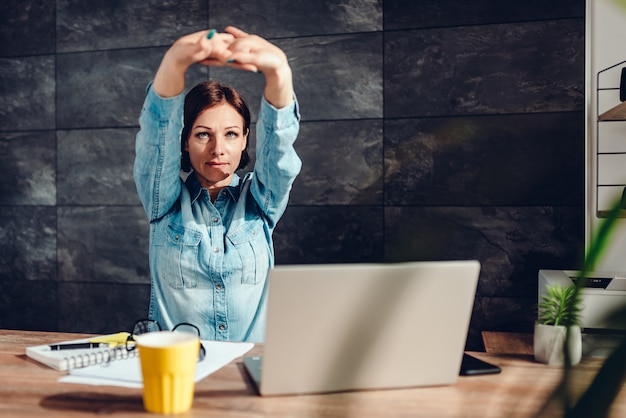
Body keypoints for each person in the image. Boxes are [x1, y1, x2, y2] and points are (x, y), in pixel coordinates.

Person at [133, 26, 301, 342]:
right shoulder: (164, 205)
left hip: (249, 372)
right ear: (184, 142)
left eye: (230, 134)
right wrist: (173, 64)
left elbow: (279, 152)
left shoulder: (261, 203)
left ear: (244, 141)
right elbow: (156, 140)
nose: (218, 149)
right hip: (181, 368)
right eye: (202, 134)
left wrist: (278, 70)